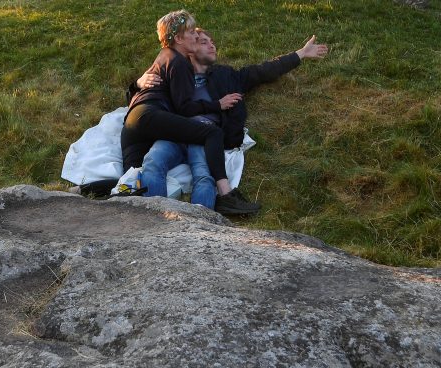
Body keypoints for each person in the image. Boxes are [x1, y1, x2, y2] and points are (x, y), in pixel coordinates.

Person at [131, 29, 328, 213]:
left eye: (212, 42)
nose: (212, 46)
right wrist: (138, 83)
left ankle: (197, 229)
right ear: (189, 48)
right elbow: (147, 96)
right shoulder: (175, 71)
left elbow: (263, 71)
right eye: (203, 42)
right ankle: (153, 219)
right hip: (175, 130)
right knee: (153, 162)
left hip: (205, 135)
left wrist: (300, 54)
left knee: (204, 177)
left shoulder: (226, 75)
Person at [120, 9, 260, 214]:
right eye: (192, 31)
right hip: (149, 116)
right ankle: (224, 195)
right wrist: (217, 105)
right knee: (212, 134)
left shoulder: (165, 56)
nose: (196, 35)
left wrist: (138, 83)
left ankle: (147, 215)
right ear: (178, 38)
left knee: (132, 177)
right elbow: (183, 107)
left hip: (134, 123)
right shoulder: (179, 62)